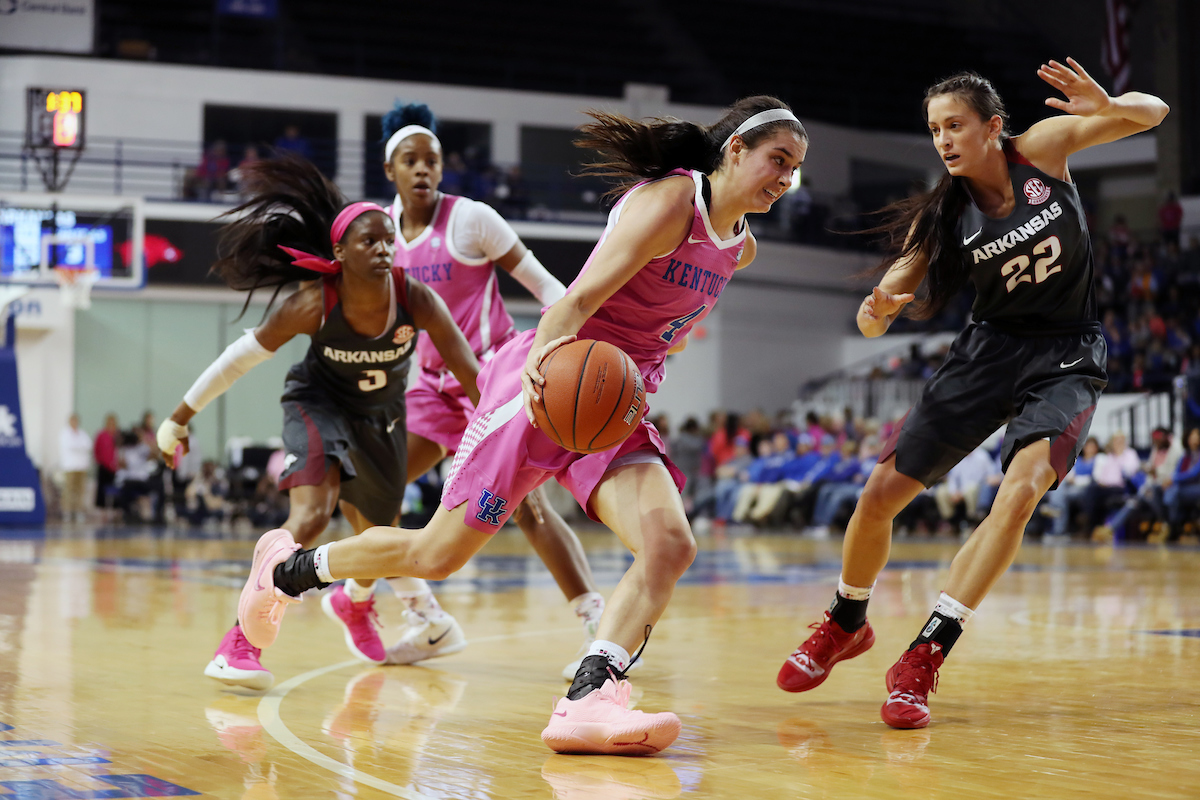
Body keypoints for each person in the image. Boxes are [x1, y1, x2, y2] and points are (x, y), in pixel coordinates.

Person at [235, 96, 808, 754]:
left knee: (669, 545)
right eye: (777, 160)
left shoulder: (742, 249)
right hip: (547, 379)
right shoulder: (672, 203)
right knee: (436, 554)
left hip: (609, 404)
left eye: (794, 169)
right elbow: (579, 297)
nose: (785, 179)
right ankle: (285, 573)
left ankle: (588, 700)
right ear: (735, 150)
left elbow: (661, 326)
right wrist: (536, 372)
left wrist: (649, 367)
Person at [776, 60, 1168, 729]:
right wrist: (879, 310)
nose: (944, 140)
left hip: (1067, 352)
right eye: (935, 131)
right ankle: (847, 621)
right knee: (877, 498)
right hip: (988, 353)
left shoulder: (1041, 150)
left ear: (992, 127)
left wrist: (1110, 103)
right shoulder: (943, 217)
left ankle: (926, 652)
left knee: (1018, 496)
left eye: (955, 125)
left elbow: (1154, 111)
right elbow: (876, 312)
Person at [154, 153, 482, 692]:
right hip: (316, 404)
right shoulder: (313, 303)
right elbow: (238, 358)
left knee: (379, 536)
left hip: (381, 419)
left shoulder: (415, 298)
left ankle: (354, 606)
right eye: (368, 242)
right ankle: (240, 644)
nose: (382, 249)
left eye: (388, 240)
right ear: (339, 252)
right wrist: (178, 418)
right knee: (310, 514)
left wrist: (509, 440)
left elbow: (474, 379)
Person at [378, 102, 605, 676]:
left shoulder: (472, 219)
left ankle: (596, 624)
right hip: (431, 386)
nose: (424, 169)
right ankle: (426, 619)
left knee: (527, 507)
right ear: (392, 171)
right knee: (372, 491)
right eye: (411, 160)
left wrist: (573, 341)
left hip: (491, 379)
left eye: (432, 159)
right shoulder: (379, 234)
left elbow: (547, 285)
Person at [59, 413, 93, 523]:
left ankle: (78, 511)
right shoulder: (65, 434)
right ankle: (67, 511)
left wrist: (79, 447)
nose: (74, 423)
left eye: (76, 420)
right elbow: (71, 446)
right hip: (70, 466)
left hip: (81, 466)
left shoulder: (82, 433)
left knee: (80, 490)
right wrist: (80, 447)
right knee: (69, 489)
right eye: (72, 420)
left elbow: (89, 445)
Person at [93, 413, 121, 519]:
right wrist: (99, 461)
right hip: (103, 466)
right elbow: (96, 449)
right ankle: (102, 510)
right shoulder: (101, 435)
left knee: (115, 488)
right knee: (102, 489)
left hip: (115, 467)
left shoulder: (117, 436)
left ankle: (115, 510)